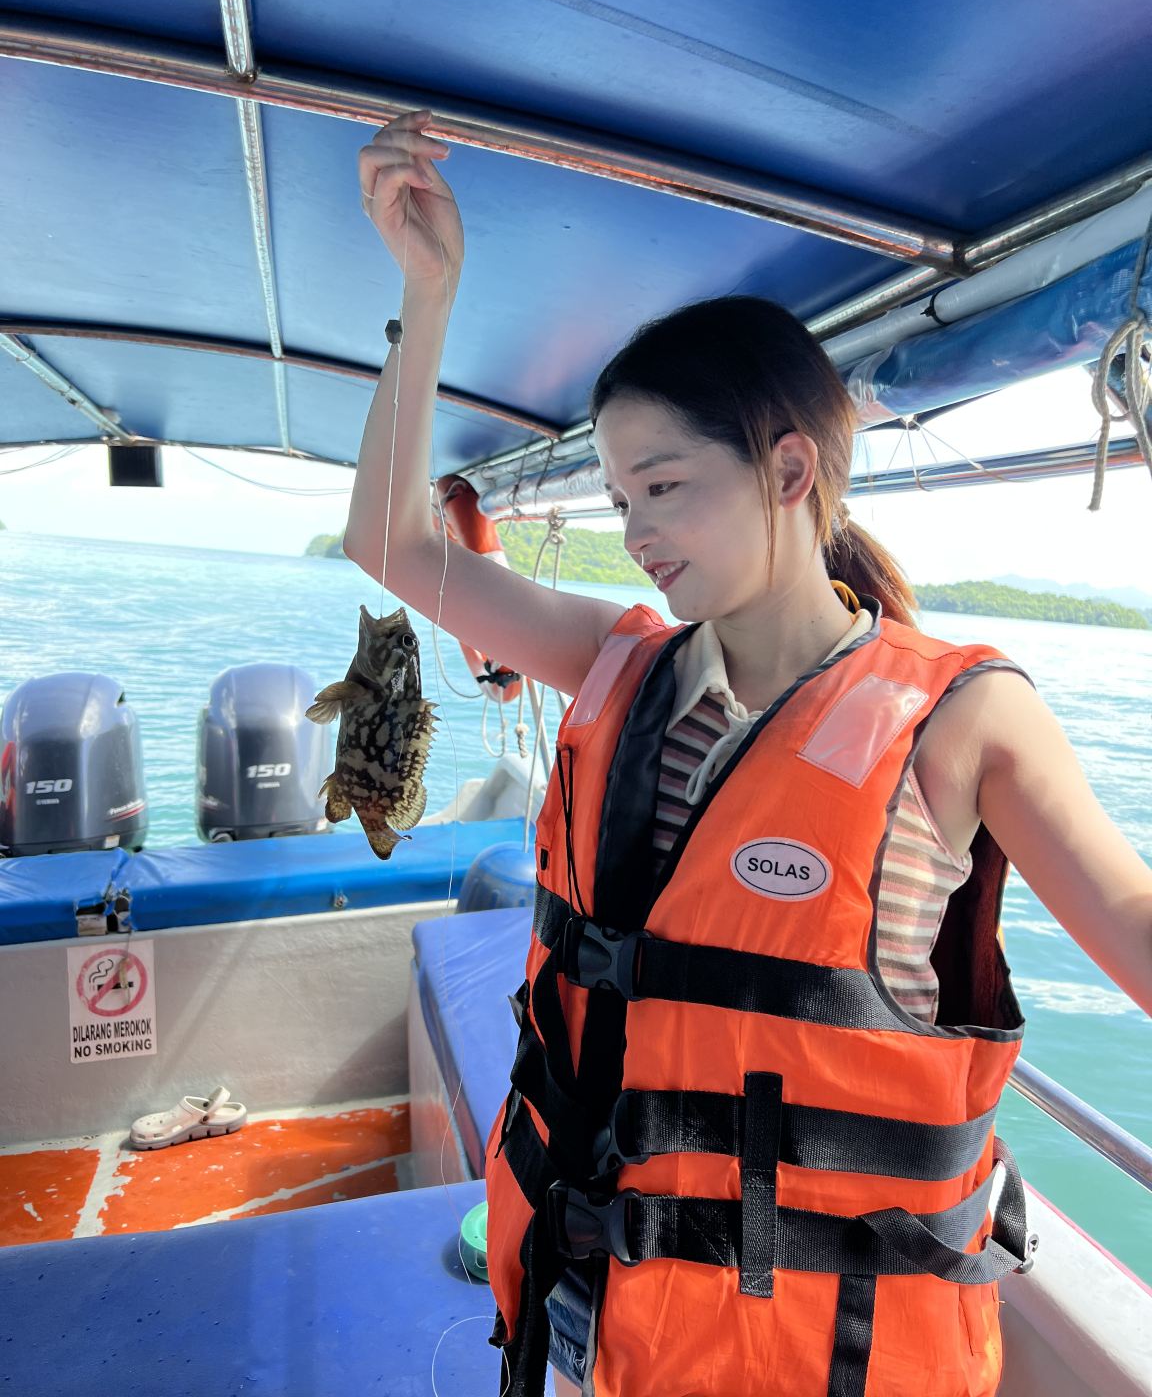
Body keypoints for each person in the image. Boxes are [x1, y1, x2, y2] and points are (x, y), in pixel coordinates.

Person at [346, 112, 1152, 1397]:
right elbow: (395, 547)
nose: (638, 531)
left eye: (663, 488)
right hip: (611, 1312)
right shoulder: (623, 662)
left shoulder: (963, 718)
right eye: (619, 499)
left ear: (789, 469)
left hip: (821, 1355)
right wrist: (426, 292)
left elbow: (1133, 922)